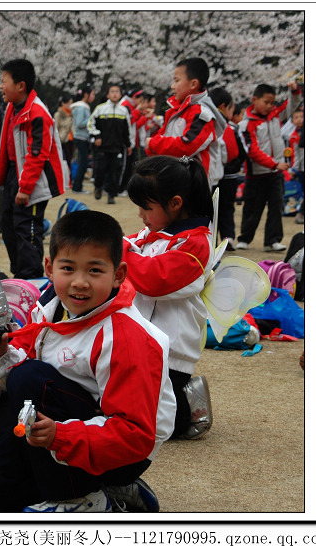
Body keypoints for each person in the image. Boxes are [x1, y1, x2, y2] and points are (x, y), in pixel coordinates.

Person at [0, 209, 175, 513]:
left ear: (119, 275)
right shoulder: (52, 304)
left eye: (95, 271)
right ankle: (112, 492)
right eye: (68, 268)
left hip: (121, 452)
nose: (80, 282)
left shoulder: (126, 337)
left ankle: (78, 497)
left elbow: (135, 435)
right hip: (64, 425)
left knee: (28, 378)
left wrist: (62, 436)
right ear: (49, 267)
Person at [123, 155, 215, 440]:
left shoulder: (196, 243)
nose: (140, 215)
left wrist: (117, 252)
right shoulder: (154, 232)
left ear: (175, 203)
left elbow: (154, 279)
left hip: (172, 350)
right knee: (128, 410)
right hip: (141, 341)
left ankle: (191, 404)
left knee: (165, 425)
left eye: (146, 207)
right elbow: (131, 243)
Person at [0, 58, 67, 280]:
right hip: (15, 174)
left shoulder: (37, 112)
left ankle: (31, 276)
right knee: (9, 225)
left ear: (20, 86)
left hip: (32, 180)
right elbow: (10, 143)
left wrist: (25, 188)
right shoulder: (12, 108)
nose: (0, 86)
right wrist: (1, 165)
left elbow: (37, 154)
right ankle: (19, 273)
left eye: (3, 81)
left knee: (28, 229)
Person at [235, 81, 302, 251]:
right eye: (266, 102)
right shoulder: (246, 124)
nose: (270, 106)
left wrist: (294, 91)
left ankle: (272, 240)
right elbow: (253, 151)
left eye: (272, 102)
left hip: (275, 173)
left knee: (276, 206)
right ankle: (244, 238)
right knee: (252, 207)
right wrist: (274, 163)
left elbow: (292, 105)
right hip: (256, 174)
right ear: (254, 100)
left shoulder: (275, 115)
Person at [145, 57, 226, 189]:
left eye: (177, 80)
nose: (172, 86)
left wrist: (153, 144)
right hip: (172, 175)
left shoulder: (202, 113)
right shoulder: (176, 110)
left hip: (192, 181)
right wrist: (153, 148)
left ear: (193, 84)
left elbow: (187, 145)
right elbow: (162, 136)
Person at [210, 87, 247, 250]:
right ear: (225, 107)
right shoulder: (228, 128)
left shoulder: (205, 122)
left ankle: (213, 242)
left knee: (210, 210)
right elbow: (234, 152)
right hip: (226, 175)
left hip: (209, 175)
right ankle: (228, 238)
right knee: (226, 208)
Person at [87, 84, 133, 204]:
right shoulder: (100, 109)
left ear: (120, 94)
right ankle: (98, 188)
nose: (114, 94)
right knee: (100, 170)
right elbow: (90, 124)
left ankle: (111, 195)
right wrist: (96, 136)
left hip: (117, 147)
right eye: (112, 91)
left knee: (115, 172)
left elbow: (127, 129)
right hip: (102, 147)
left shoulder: (123, 111)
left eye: (117, 91)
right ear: (107, 94)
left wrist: (128, 145)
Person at [117, 88, 148, 195]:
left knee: (129, 166)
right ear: (134, 97)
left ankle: (124, 187)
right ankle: (120, 188)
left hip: (131, 141)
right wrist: (139, 113)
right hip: (125, 141)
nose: (141, 103)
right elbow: (128, 122)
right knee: (124, 166)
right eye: (141, 100)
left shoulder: (130, 106)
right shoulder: (125, 105)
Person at [70, 86, 94, 194]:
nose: (93, 97)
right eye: (92, 94)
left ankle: (78, 186)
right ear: (86, 95)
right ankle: (77, 187)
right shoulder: (81, 107)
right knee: (83, 163)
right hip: (81, 138)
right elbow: (79, 123)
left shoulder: (83, 107)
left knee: (83, 162)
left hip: (82, 137)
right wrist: (91, 120)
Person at [53, 94, 75, 172]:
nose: (70, 105)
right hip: (62, 140)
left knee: (69, 160)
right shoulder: (58, 114)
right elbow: (55, 128)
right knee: (63, 160)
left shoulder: (72, 114)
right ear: (63, 103)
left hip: (71, 139)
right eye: (68, 103)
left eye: (71, 103)